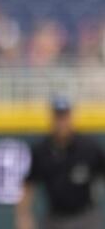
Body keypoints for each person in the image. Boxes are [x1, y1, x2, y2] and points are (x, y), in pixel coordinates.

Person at [15, 95, 105, 229]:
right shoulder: (41, 151)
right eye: (58, 117)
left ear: (71, 117)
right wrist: (23, 217)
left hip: (85, 217)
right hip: (55, 219)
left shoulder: (88, 147)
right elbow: (28, 187)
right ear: (52, 118)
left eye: (65, 116)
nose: (62, 122)